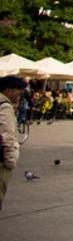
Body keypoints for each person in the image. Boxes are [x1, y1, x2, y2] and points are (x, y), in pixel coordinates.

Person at [0, 76, 29, 213]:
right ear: (8, 90)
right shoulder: (4, 106)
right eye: (18, 89)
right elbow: (7, 137)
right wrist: (11, 161)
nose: (20, 93)